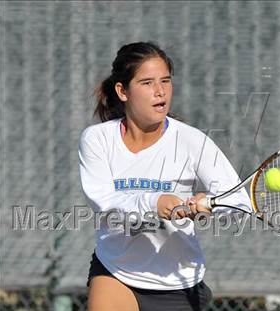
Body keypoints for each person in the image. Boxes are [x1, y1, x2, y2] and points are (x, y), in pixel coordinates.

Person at [79, 41, 251, 311]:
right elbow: (104, 202)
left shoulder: (192, 141)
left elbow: (240, 202)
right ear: (122, 91)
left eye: (166, 81)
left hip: (177, 283)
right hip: (116, 271)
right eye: (147, 83)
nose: (160, 91)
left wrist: (210, 205)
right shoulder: (98, 139)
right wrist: (154, 203)